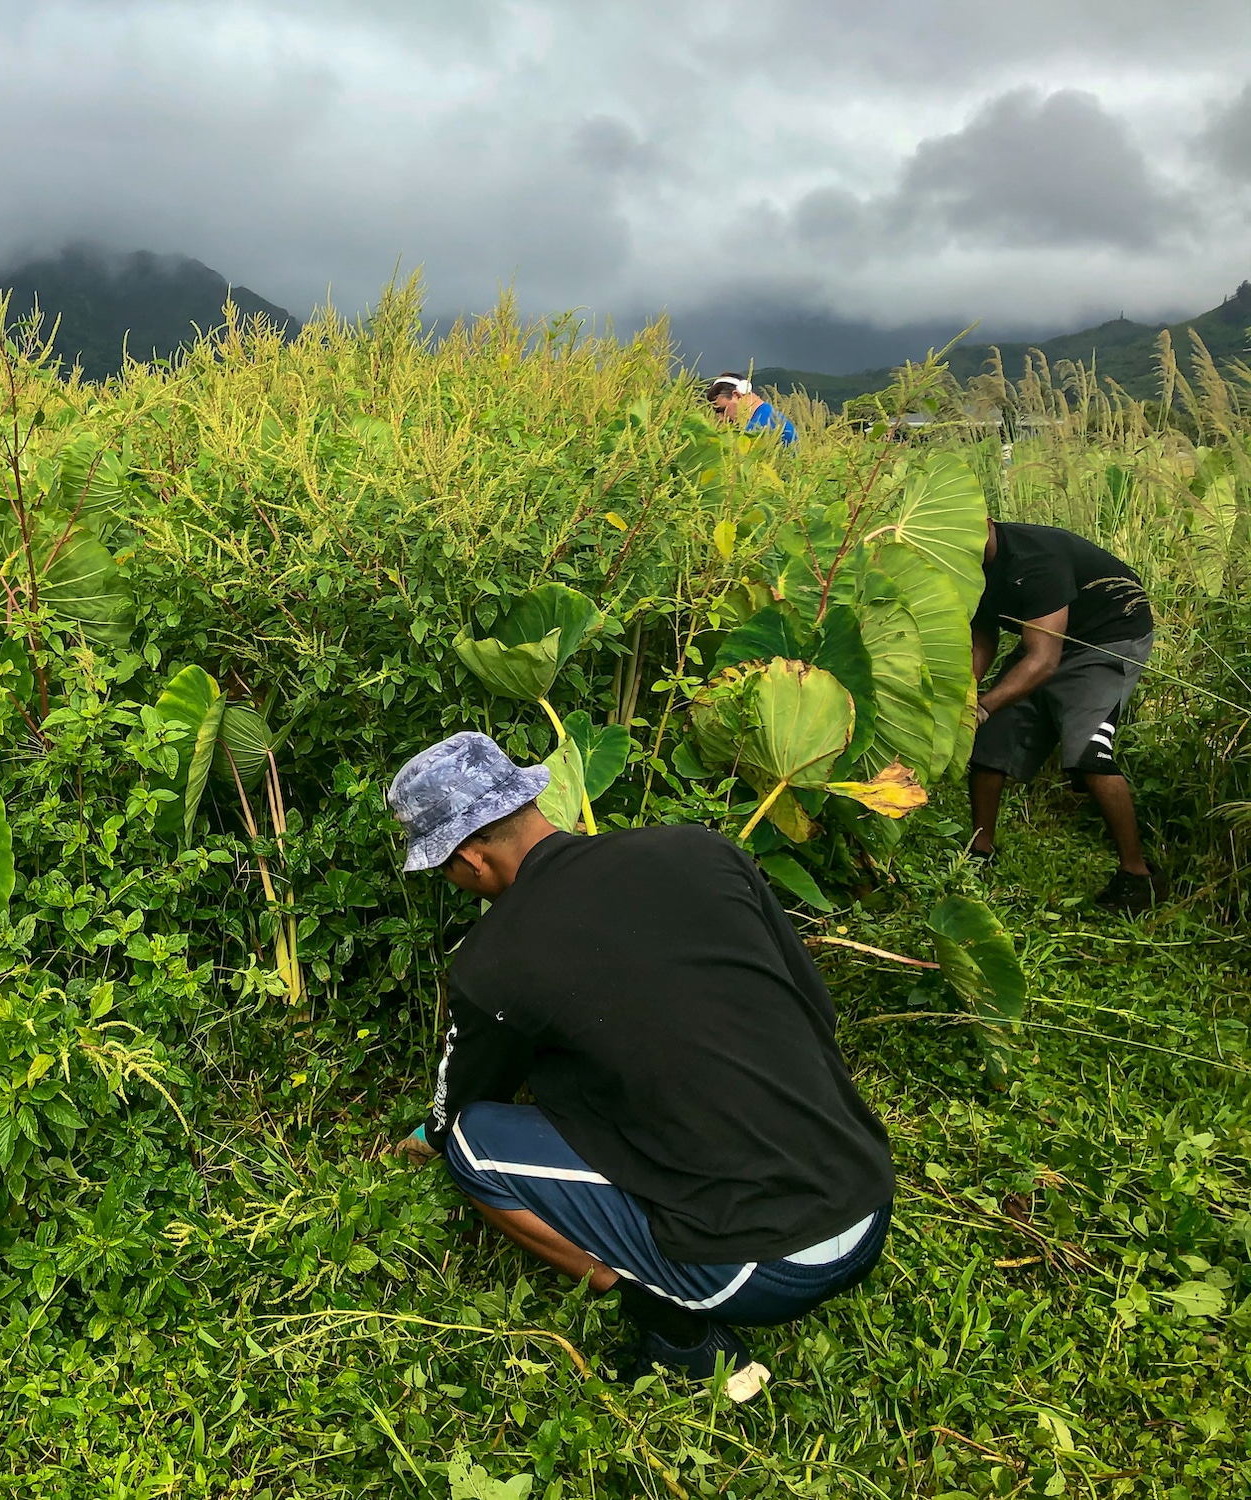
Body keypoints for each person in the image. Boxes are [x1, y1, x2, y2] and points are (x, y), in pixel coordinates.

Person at [385, 732, 893, 1383]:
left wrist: (425, 1137)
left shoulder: (493, 962)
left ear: (472, 862)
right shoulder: (700, 850)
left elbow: (457, 1105)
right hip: (866, 1196)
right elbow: (812, 1005)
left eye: (444, 871)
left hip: (765, 1272)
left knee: (473, 1147)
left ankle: (675, 1330)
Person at [967, 517, 1159, 910]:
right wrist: (967, 695)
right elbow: (983, 632)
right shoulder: (969, 565)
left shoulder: (1037, 560)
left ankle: (1137, 875)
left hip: (1107, 639)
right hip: (1050, 637)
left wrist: (984, 707)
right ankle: (978, 852)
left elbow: (1042, 662)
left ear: (985, 523)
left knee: (1090, 753)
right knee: (990, 742)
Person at [706, 373, 796, 445]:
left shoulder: (757, 428)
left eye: (723, 410)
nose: (721, 418)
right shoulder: (770, 414)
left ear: (737, 396)